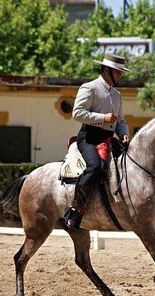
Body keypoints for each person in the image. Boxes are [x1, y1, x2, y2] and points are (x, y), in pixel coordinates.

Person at [64, 53, 130, 230]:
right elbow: (77, 113)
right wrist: (103, 118)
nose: (120, 76)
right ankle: (75, 209)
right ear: (107, 70)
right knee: (95, 167)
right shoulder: (89, 88)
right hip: (89, 138)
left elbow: (120, 120)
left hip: (108, 138)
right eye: (117, 72)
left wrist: (123, 133)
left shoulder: (117, 95)